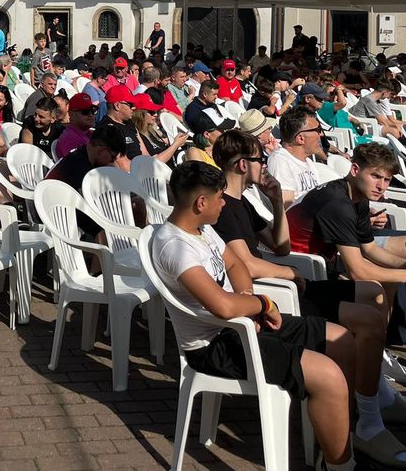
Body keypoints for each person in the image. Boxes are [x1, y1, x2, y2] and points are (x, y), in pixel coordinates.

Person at [211, 130, 406, 464]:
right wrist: (291, 275)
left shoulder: (244, 203)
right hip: (274, 294)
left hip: (291, 282)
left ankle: (374, 392)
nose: (265, 165)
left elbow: (279, 245)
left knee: (373, 295)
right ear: (242, 164)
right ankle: (368, 418)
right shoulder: (223, 207)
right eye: (260, 160)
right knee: (368, 316)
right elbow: (247, 264)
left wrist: (276, 201)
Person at [149, 161, 357, 471]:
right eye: (220, 197)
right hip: (213, 345)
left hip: (240, 327)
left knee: (341, 341)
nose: (224, 202)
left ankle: (338, 438)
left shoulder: (201, 229)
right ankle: (341, 465)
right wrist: (261, 304)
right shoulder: (176, 247)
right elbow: (222, 306)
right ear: (201, 202)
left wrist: (247, 298)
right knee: (328, 376)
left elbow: (235, 265)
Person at [287, 143, 406, 377]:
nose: (381, 185)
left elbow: (370, 249)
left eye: (386, 179)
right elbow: (358, 271)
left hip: (318, 263)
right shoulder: (339, 204)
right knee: (374, 288)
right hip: (298, 270)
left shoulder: (357, 197)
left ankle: (377, 351)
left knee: (386, 274)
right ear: (354, 169)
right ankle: (374, 355)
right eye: (375, 176)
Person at [45, 126, 127, 237]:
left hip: (65, 203)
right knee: (103, 226)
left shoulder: (86, 155)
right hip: (54, 210)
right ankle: (103, 253)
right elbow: (89, 203)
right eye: (112, 157)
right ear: (101, 150)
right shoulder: (77, 164)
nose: (112, 162)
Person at [268, 107, 325, 208]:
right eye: (317, 130)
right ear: (300, 138)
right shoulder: (280, 161)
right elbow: (287, 209)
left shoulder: (307, 161)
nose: (320, 134)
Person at [131, 94, 186, 163]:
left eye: (155, 111)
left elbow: (168, 142)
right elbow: (154, 162)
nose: (155, 114)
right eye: (151, 112)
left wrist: (180, 140)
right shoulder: (137, 136)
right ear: (139, 114)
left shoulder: (150, 129)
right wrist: (176, 144)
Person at [96, 83, 140, 169]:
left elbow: (145, 154)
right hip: (128, 176)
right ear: (117, 106)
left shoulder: (129, 123)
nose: (134, 108)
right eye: (130, 105)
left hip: (142, 170)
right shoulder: (107, 129)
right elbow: (122, 165)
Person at [348, 76, 404, 140]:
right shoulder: (370, 101)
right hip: (363, 127)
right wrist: (396, 125)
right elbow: (383, 122)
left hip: (367, 124)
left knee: (396, 128)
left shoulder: (373, 99)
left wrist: (397, 125)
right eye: (390, 93)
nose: (389, 96)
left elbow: (383, 120)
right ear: (385, 92)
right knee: (394, 131)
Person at [55, 93, 96, 158]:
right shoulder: (69, 139)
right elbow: (79, 166)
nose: (90, 115)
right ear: (72, 115)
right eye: (85, 111)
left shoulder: (90, 134)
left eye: (93, 110)